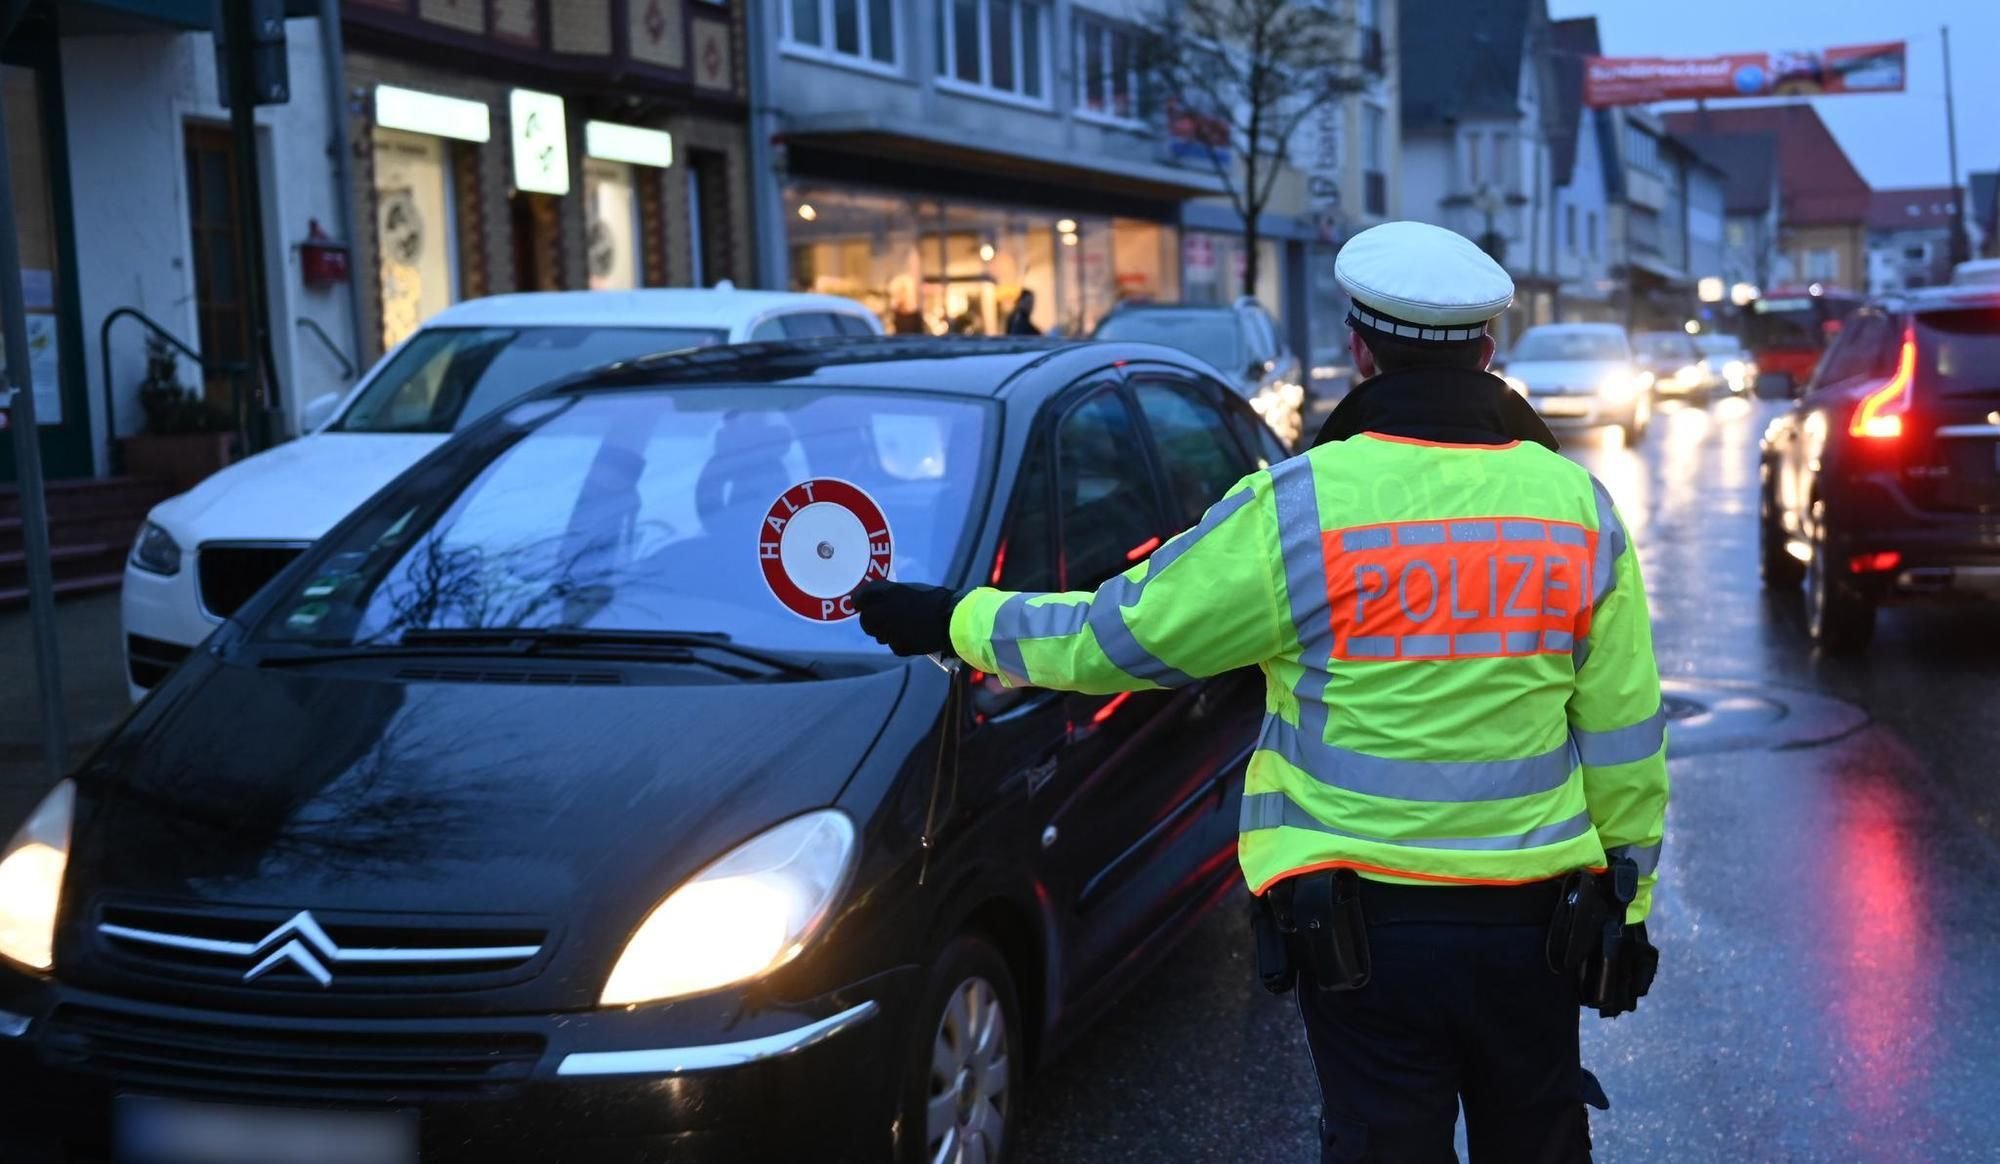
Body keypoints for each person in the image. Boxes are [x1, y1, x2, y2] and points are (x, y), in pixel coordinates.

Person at [853, 220, 1666, 1163]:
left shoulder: (1298, 508)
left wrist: (954, 621)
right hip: (1537, 927)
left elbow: (1115, 639)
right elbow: (1624, 735)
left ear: (1359, 350)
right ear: (1488, 353)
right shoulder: (1574, 506)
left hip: (1366, 935)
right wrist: (1628, 907)